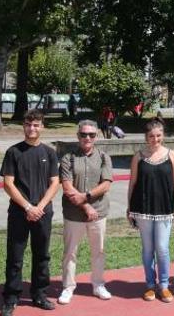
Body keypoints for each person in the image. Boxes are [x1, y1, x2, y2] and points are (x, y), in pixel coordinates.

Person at [0, 109, 60, 316]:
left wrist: (40, 207)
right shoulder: (13, 152)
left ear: (42, 127)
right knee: (15, 256)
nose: (31, 128)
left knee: (42, 255)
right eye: (28, 124)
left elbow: (55, 183)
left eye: (35, 125)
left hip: (43, 212)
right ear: (23, 126)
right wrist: (27, 207)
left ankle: (40, 294)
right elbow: (8, 184)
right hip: (19, 212)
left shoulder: (49, 153)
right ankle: (11, 297)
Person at [57, 120, 114, 304]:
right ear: (78, 136)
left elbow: (106, 184)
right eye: (83, 135)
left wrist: (87, 196)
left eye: (91, 135)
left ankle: (98, 284)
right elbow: (67, 187)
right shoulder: (68, 158)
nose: (87, 138)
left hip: (99, 214)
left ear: (96, 136)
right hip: (74, 215)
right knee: (70, 252)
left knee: (98, 251)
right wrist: (86, 205)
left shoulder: (104, 157)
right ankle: (68, 287)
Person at [127, 117, 174, 303]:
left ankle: (164, 285)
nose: (155, 139)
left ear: (163, 135)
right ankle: (150, 285)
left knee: (162, 248)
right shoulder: (138, 156)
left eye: (158, 135)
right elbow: (132, 183)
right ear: (146, 137)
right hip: (143, 208)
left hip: (165, 208)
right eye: (151, 136)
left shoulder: (171, 155)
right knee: (148, 249)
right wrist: (129, 208)